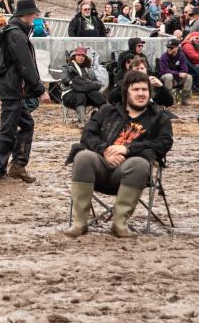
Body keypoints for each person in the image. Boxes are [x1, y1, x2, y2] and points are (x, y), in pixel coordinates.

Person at [64, 71, 174, 237]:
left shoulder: (159, 118)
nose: (141, 93)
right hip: (100, 166)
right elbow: (87, 135)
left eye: (145, 90)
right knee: (83, 156)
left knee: (139, 164)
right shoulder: (107, 111)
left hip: (131, 170)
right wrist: (104, 150)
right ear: (126, 92)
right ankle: (80, 223)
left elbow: (164, 143)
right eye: (135, 89)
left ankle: (119, 223)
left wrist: (128, 149)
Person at [0, 0, 47, 184]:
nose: (36, 16)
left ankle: (17, 166)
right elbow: (26, 65)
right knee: (8, 130)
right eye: (34, 13)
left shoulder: (15, 32)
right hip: (11, 88)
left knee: (26, 124)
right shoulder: (17, 35)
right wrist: (40, 90)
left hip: (11, 87)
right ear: (26, 15)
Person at [59, 47, 105, 125]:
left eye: (83, 56)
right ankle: (82, 122)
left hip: (87, 94)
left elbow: (95, 81)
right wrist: (73, 83)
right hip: (70, 93)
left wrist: (86, 85)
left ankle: (103, 120)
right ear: (74, 56)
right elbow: (64, 78)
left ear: (86, 58)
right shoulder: (67, 67)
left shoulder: (89, 69)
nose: (81, 57)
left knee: (99, 96)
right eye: (78, 55)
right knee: (81, 95)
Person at [157, 38, 193, 105]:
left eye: (171, 47)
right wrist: (178, 74)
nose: (169, 49)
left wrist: (178, 76)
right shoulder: (164, 56)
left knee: (189, 77)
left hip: (176, 78)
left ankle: (185, 99)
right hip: (164, 78)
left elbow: (185, 70)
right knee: (168, 76)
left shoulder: (181, 56)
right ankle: (169, 100)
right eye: (168, 47)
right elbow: (164, 70)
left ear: (177, 47)